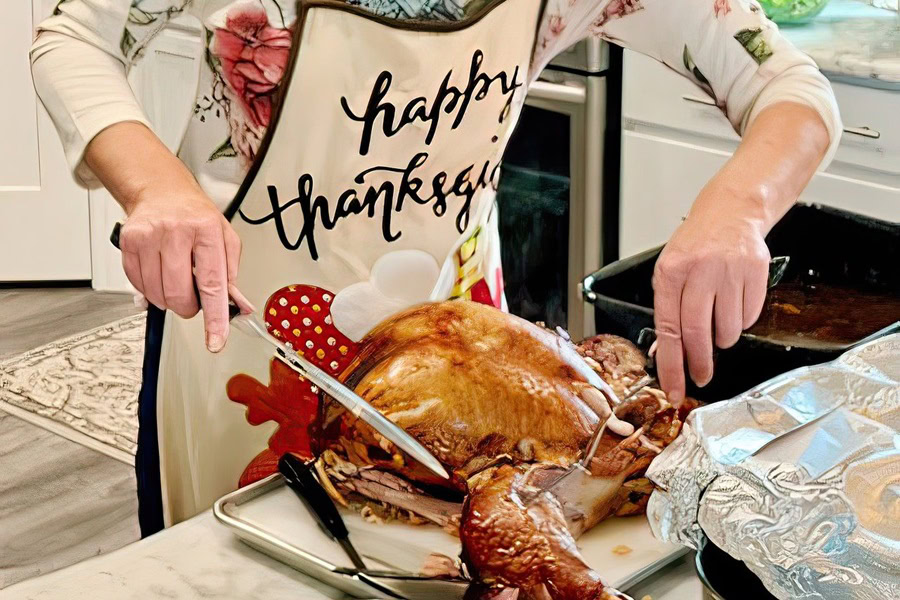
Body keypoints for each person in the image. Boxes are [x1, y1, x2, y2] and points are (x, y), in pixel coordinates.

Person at [31, 0, 839, 537]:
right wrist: (155, 186)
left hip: (469, 369)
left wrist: (737, 210)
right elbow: (73, 34)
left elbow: (785, 83)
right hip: (240, 336)